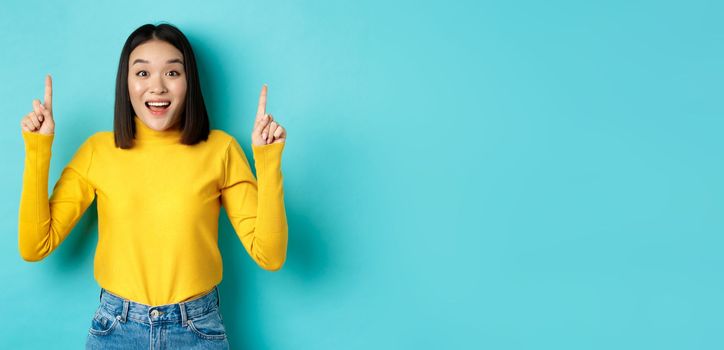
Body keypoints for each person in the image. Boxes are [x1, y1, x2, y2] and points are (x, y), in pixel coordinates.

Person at [18, 23, 288, 349]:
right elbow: (35, 246)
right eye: (142, 73)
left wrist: (268, 159)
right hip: (116, 329)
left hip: (197, 330)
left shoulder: (221, 150)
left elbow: (270, 255)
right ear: (126, 83)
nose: (157, 87)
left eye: (172, 73)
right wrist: (37, 149)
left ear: (189, 83)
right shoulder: (97, 151)